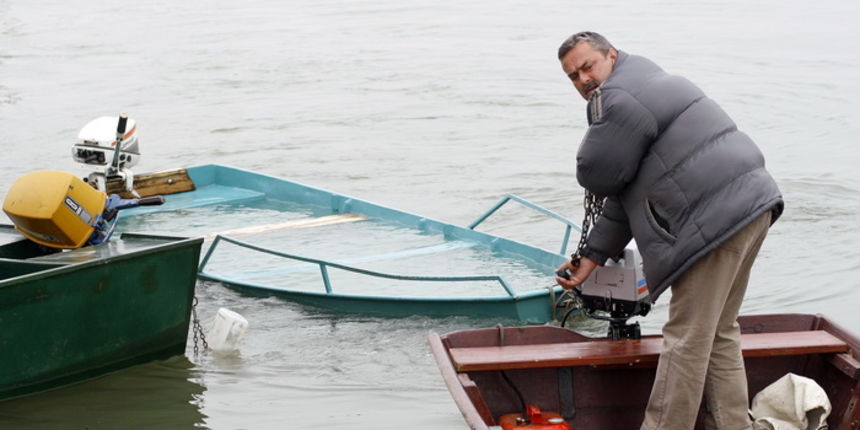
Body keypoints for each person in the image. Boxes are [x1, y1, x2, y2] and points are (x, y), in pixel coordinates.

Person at [553, 31, 784, 430]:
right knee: (718, 333)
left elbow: (595, 171)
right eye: (573, 76)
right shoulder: (649, 82)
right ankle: (733, 425)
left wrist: (597, 118)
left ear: (611, 55)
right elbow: (623, 197)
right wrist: (590, 258)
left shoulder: (619, 98)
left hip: (716, 220)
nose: (583, 80)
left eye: (588, 66)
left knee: (686, 337)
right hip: (753, 205)